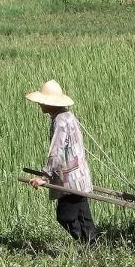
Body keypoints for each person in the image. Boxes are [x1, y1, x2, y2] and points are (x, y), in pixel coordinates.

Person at [25, 80, 95, 242]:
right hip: (80, 176)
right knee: (83, 216)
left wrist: (44, 178)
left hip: (70, 181)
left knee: (65, 216)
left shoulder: (60, 121)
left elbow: (56, 152)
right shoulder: (67, 116)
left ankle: (86, 244)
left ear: (50, 103)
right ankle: (92, 247)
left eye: (43, 102)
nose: (40, 105)